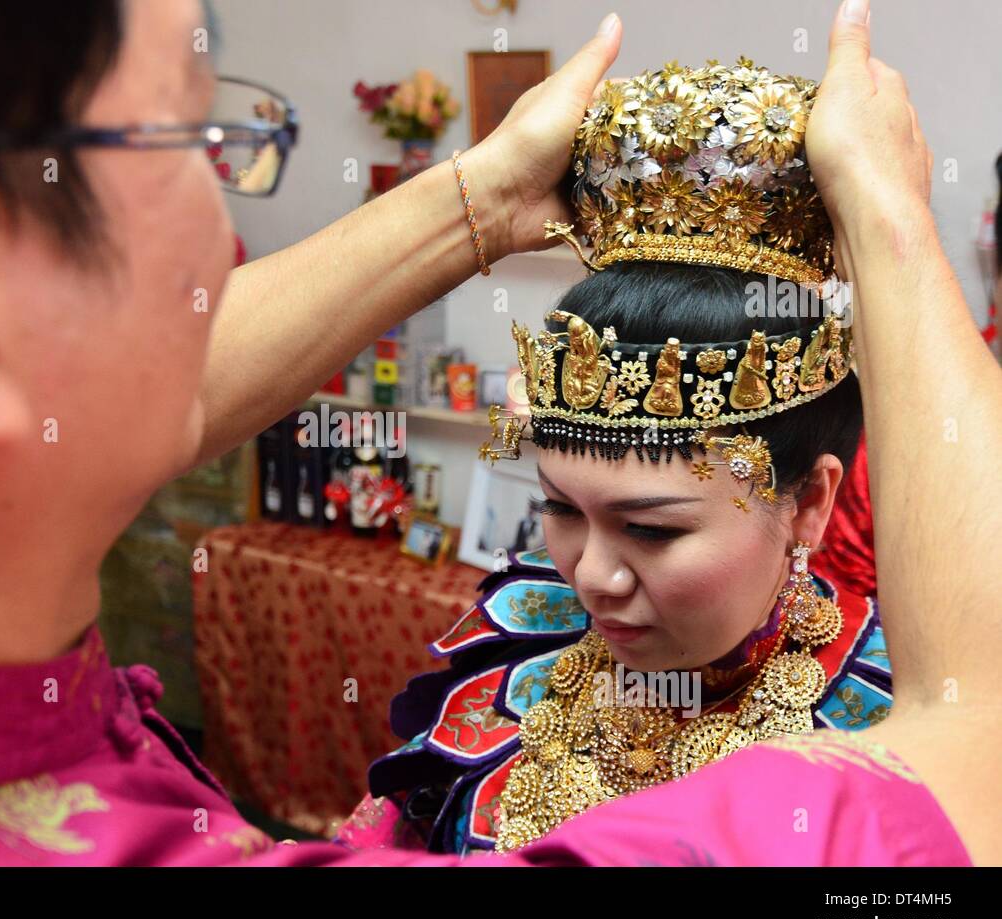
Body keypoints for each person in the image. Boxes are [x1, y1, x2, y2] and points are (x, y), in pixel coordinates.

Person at [0, 0, 998, 867]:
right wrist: (886, 214)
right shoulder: (503, 665)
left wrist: (483, 200)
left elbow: (171, 387)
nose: (228, 232)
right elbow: (979, 743)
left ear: (815, 506)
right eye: (190, 131)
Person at [346, 57, 893, 854]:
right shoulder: (525, 625)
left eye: (653, 529)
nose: (590, 576)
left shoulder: (890, 724)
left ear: (809, 502)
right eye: (561, 509)